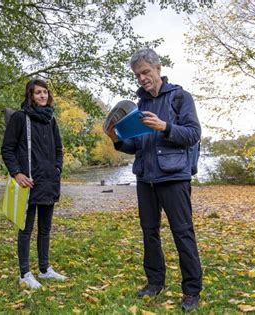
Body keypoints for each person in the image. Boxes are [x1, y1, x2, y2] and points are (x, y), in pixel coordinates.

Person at [105, 48, 202, 311]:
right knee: (149, 233)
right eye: (138, 75)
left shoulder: (181, 98)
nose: (142, 78)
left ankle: (191, 290)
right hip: (146, 178)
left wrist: (165, 127)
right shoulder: (140, 105)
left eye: (146, 72)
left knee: (182, 233)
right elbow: (135, 145)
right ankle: (155, 283)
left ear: (158, 68)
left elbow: (193, 134)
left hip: (174, 178)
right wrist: (117, 139)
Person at [1, 79, 66, 289]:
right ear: (30, 95)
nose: (43, 96)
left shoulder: (51, 119)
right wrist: (17, 173)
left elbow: (58, 148)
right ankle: (25, 274)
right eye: (38, 92)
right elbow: (7, 149)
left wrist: (57, 168)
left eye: (45, 92)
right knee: (26, 229)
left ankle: (45, 270)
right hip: (28, 183)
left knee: (45, 229)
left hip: (48, 181)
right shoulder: (20, 118)